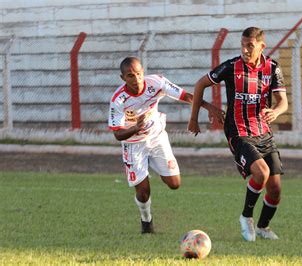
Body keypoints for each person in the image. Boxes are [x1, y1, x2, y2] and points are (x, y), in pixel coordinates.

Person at [188, 27, 288, 241]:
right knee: (261, 173)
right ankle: (246, 217)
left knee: (275, 189)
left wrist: (276, 111)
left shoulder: (272, 68)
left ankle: (263, 227)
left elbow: (283, 102)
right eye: (242, 45)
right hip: (238, 131)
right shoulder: (232, 67)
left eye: (250, 46)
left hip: (263, 132)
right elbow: (200, 84)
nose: (245, 49)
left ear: (262, 46)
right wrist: (194, 118)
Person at [108, 56, 223, 234]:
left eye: (138, 74)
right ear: (123, 78)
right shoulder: (119, 100)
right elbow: (117, 133)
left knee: (174, 183)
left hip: (157, 138)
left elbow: (186, 96)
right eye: (130, 75)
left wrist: (210, 108)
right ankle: (146, 221)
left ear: (143, 72)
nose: (136, 79)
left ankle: (155, 167)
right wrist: (136, 128)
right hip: (133, 145)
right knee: (143, 192)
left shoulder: (156, 82)